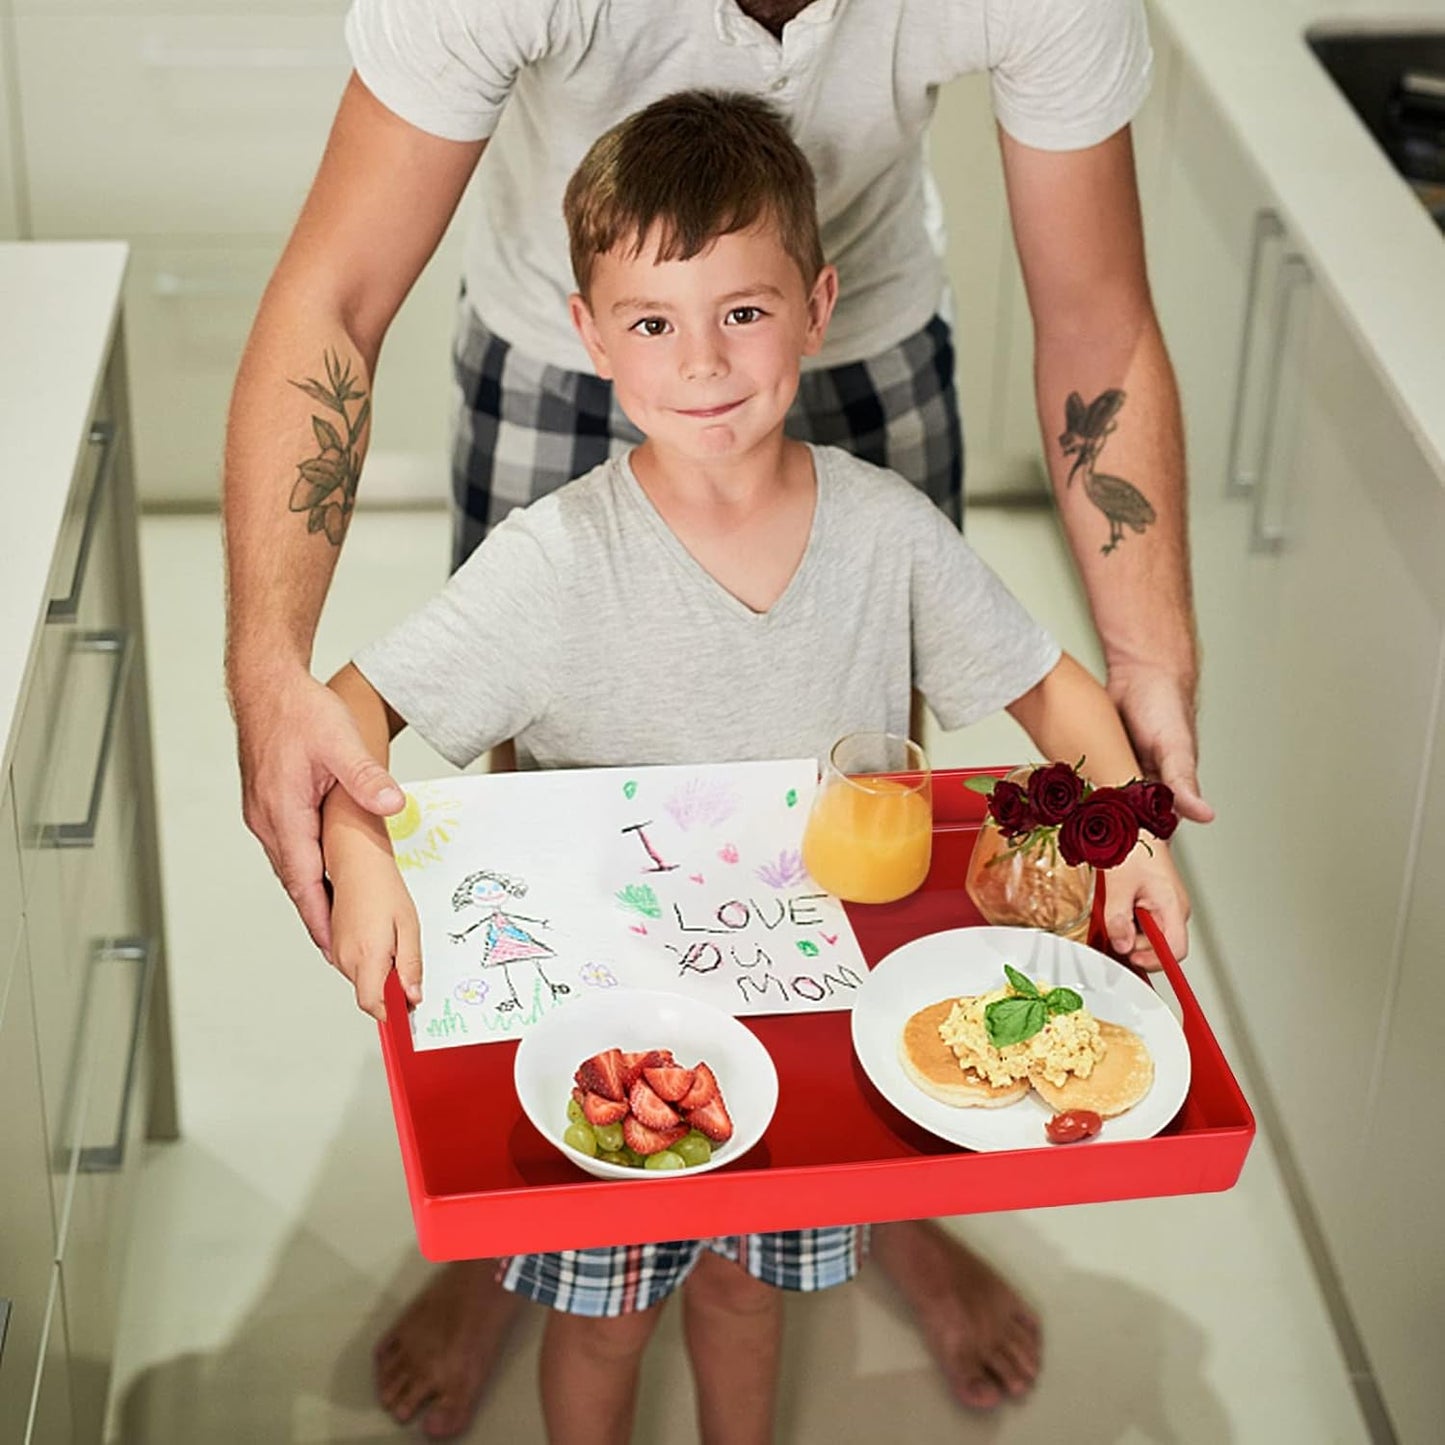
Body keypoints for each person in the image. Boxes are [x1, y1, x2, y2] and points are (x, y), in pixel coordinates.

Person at [223, 1, 1209, 1434]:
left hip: (801, 923)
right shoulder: (557, 555)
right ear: (598, 337)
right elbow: (337, 317)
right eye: (655, 332)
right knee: (600, 1289)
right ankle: (532, 1242)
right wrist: (292, 710)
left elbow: (1094, 338)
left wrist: (1140, 728)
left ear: (802, 307)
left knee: (765, 1262)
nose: (700, 365)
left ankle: (880, 1181)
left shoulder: (882, 533)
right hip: (617, 946)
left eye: (742, 318)